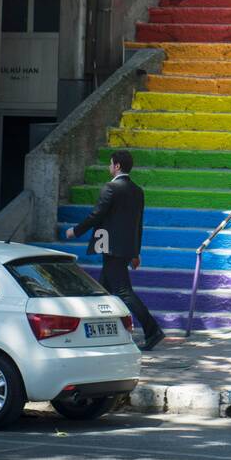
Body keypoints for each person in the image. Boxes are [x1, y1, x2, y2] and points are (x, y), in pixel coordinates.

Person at [66, 149, 164, 351]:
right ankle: (105, 333)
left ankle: (152, 330)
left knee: (122, 291)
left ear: (117, 166)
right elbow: (138, 224)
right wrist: (135, 252)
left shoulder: (110, 188)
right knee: (102, 292)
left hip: (111, 248)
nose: (109, 167)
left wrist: (75, 231)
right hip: (125, 248)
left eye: (111, 164)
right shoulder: (137, 190)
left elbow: (96, 216)